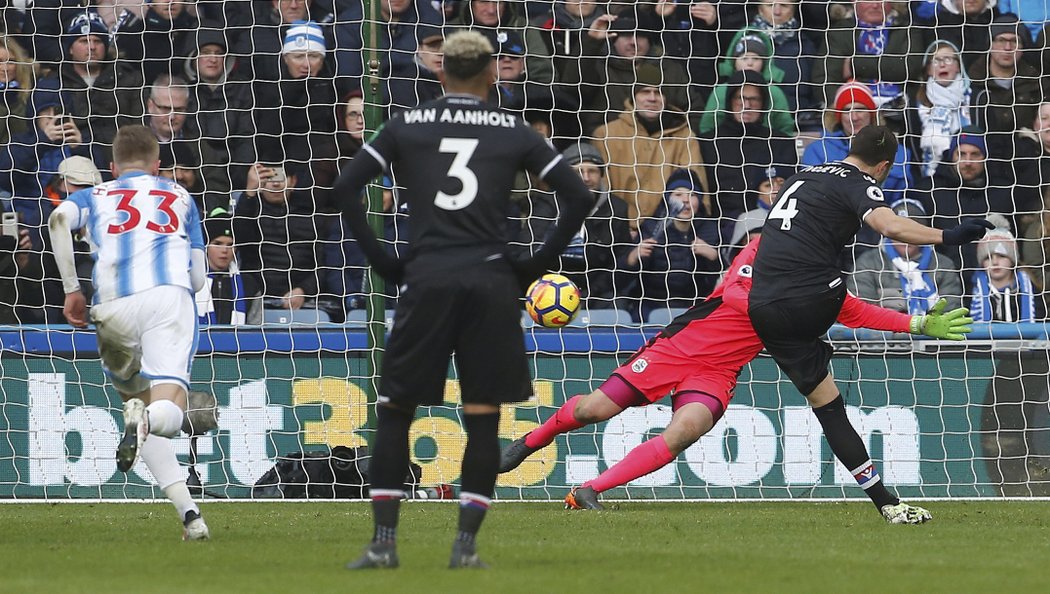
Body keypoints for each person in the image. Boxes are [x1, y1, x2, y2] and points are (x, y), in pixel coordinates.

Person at [334, 31, 593, 569]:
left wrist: (384, 262)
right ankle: (466, 548)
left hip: (426, 279)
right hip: (490, 283)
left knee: (395, 412)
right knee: (482, 416)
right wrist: (535, 265)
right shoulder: (514, 129)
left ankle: (383, 543)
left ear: (440, 72)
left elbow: (345, 189)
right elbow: (579, 195)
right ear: (492, 74)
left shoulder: (406, 124)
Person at [499, 236, 975, 516]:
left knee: (687, 429)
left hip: (719, 370)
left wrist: (913, 323)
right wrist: (790, 314)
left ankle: (588, 492)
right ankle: (527, 444)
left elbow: (851, 309)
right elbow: (732, 295)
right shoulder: (763, 244)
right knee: (593, 409)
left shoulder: (818, 273)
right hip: (681, 345)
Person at [746, 125, 993, 524]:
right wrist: (949, 234)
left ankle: (887, 503)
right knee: (844, 307)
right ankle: (915, 322)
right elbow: (891, 226)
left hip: (762, 306)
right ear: (883, 166)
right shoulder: (859, 182)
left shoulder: (800, 176)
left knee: (828, 406)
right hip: (811, 295)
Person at [46, 125, 209, 540]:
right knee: (165, 413)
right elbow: (197, 279)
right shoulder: (182, 196)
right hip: (167, 301)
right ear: (158, 166)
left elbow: (57, 218)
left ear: (113, 167)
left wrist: (71, 290)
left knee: (135, 406)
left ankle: (191, 518)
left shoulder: (95, 195)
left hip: (112, 305)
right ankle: (155, 417)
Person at [848, 198, 964, 314]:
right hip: (883, 331)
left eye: (911, 232)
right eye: (899, 232)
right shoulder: (868, 263)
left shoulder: (943, 265)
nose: (905, 239)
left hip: (931, 331)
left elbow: (950, 311)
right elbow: (862, 312)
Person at [969, 218, 1042, 322]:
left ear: (1013, 260)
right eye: (987, 258)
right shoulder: (971, 291)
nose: (994, 262)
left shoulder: (1031, 290)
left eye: (1001, 256)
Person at [195, 211, 248, 325]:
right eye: (218, 243)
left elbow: (255, 326)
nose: (225, 250)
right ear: (206, 245)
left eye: (230, 245)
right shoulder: (192, 281)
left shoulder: (249, 284)